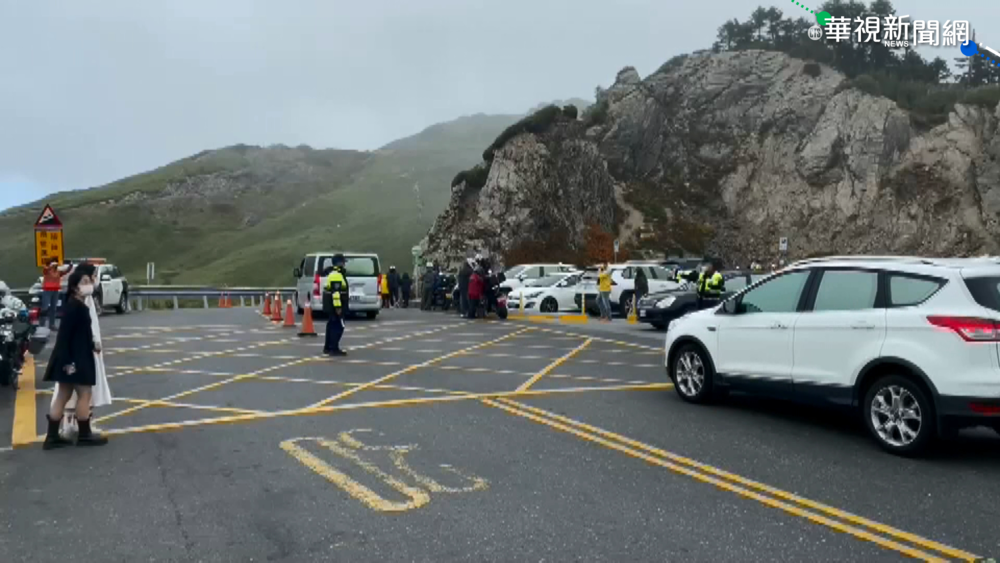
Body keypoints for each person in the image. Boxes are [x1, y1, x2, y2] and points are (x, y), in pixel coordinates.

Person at [42, 268, 108, 449]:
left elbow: (76, 334)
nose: (90, 285)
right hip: (75, 359)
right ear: (75, 287)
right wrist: (70, 362)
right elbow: (66, 337)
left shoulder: (73, 305)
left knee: (63, 394)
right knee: (85, 394)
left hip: (70, 357)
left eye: (90, 281)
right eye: (85, 282)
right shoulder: (76, 308)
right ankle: (85, 434)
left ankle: (52, 436)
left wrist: (92, 343)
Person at [323, 255, 349, 356]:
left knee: (331, 325)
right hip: (335, 306)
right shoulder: (336, 275)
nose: (344, 264)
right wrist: (338, 307)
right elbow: (336, 292)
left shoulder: (335, 273)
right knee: (338, 327)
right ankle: (334, 348)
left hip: (332, 306)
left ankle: (328, 347)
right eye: (343, 262)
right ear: (339, 263)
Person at [40, 260, 70, 329]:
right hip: (47, 290)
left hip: (55, 290)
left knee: (53, 308)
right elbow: (45, 269)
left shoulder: (58, 272)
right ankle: (42, 324)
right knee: (45, 308)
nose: (56, 266)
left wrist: (70, 265)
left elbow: (66, 271)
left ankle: (52, 324)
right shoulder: (47, 270)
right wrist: (50, 266)